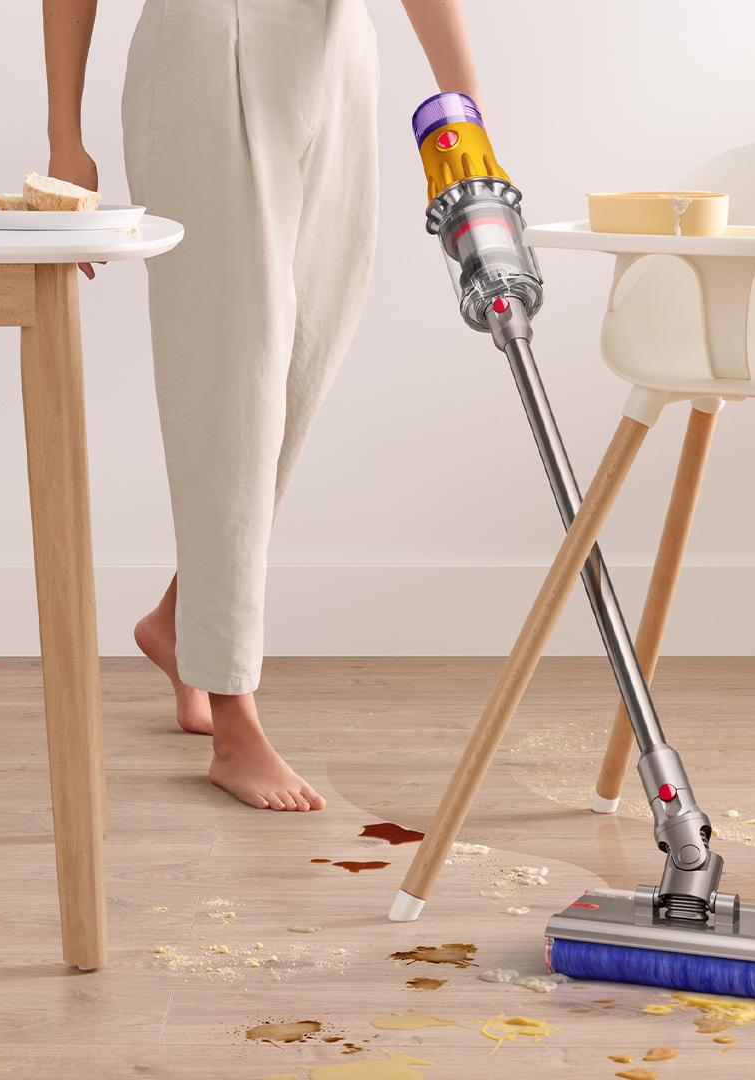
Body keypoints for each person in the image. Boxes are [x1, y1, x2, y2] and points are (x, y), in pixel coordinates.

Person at [42, 0, 481, 811]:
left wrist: (467, 115)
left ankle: (183, 618)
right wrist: (64, 137)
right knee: (230, 380)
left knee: (302, 362)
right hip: (209, 52)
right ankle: (234, 717)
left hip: (340, 59)